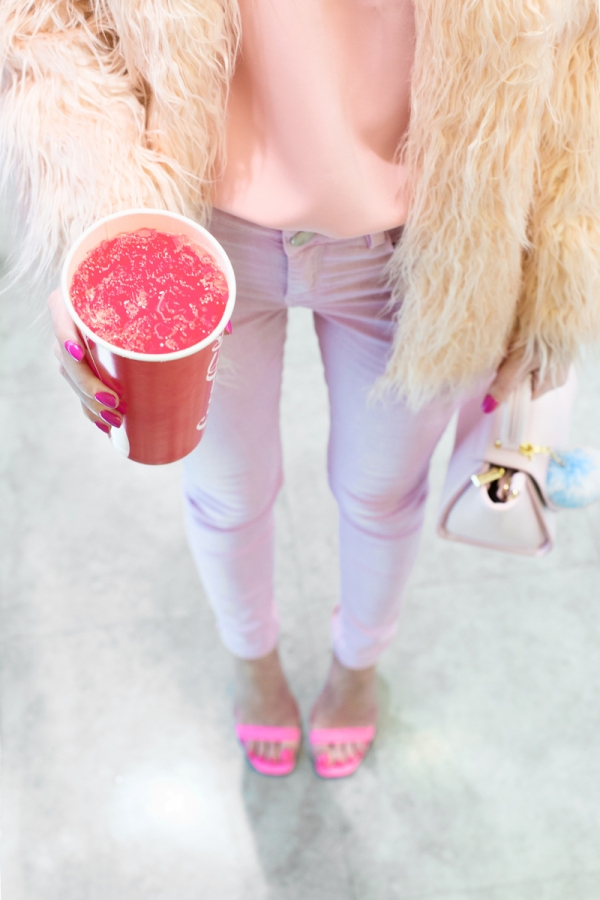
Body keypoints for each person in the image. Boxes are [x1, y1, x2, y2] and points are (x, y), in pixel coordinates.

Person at [2, 0, 599, 778]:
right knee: (225, 490)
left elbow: (582, 45)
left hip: (428, 227)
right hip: (192, 213)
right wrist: (102, 232)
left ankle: (357, 661)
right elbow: (44, 23)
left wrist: (555, 264)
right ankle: (253, 657)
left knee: (383, 492)